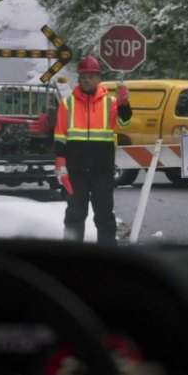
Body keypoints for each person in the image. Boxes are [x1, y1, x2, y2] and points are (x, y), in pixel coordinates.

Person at [54, 55, 132, 245]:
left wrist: (124, 103)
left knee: (104, 215)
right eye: (83, 76)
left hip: (102, 171)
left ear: (98, 78)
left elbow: (125, 121)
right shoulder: (67, 104)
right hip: (75, 171)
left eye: (90, 75)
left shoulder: (111, 102)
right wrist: (60, 165)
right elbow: (60, 135)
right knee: (75, 214)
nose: (86, 79)